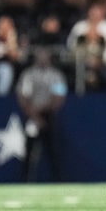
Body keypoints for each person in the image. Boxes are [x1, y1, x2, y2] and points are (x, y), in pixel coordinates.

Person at [16, 48, 68, 182]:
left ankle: (58, 180)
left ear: (49, 59)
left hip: (48, 116)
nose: (43, 60)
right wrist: (34, 115)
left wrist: (42, 110)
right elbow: (23, 96)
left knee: (53, 150)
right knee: (28, 150)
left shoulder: (56, 76)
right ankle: (25, 179)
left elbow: (59, 97)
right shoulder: (28, 75)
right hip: (32, 117)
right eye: (40, 57)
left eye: (45, 57)